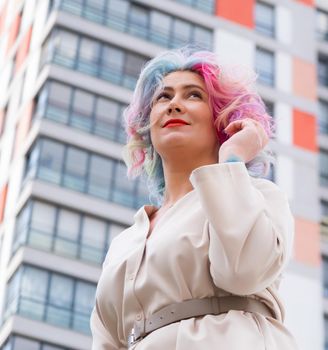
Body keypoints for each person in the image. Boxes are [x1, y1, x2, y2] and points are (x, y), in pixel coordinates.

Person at [89, 48, 297, 349]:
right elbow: (107, 339)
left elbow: (243, 272)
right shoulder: (125, 242)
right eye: (164, 97)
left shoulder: (261, 196)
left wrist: (232, 160)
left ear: (223, 121)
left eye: (193, 95)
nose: (175, 104)